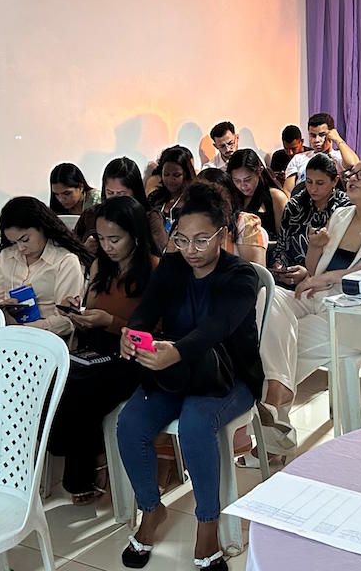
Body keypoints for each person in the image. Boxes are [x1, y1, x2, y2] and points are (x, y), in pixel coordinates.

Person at [116, 182, 262, 571]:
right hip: (177, 371)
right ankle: (151, 510)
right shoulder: (173, 268)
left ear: (222, 234)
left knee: (198, 426)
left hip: (229, 377)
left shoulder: (241, 276)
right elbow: (147, 310)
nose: (191, 250)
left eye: (201, 240)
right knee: (129, 424)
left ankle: (207, 525)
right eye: (181, 239)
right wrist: (132, 334)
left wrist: (176, 351)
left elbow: (217, 327)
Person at [281, 159, 361, 432]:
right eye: (351, 173)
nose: (352, 178)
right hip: (318, 298)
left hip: (357, 314)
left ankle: (274, 417)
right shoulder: (341, 214)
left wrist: (331, 276)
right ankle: (274, 419)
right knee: (266, 305)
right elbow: (311, 270)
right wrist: (315, 248)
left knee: (283, 344)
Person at [48, 197, 157, 506]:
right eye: (102, 238)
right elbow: (92, 311)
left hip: (133, 355)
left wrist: (111, 322)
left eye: (115, 239)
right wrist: (78, 314)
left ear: (135, 235)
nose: (107, 246)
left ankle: (82, 470)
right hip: (96, 345)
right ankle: (83, 455)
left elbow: (153, 334)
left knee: (84, 391)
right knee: (57, 377)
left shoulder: (153, 270)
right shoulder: (100, 266)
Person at [0, 197, 90, 336]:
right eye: (14, 242)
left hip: (46, 340)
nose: (21, 248)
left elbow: (67, 321)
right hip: (7, 334)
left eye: (25, 239)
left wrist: (22, 328)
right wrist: (3, 307)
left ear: (41, 227)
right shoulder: (7, 256)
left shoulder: (65, 261)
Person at [270, 152, 351, 284]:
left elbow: (343, 257)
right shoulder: (295, 205)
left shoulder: (345, 207)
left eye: (320, 183)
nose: (313, 188)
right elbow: (282, 246)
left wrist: (308, 274)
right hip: (292, 275)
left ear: (334, 181)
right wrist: (280, 266)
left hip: (329, 280)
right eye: (309, 182)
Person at [73, 157, 170, 255]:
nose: (114, 199)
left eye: (121, 194)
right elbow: (70, 249)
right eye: (110, 193)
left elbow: (159, 254)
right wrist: (84, 249)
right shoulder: (90, 214)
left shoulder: (150, 218)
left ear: (135, 192)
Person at [196, 168, 268, 266]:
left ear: (229, 197)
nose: (209, 202)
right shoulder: (189, 224)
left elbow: (256, 274)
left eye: (216, 196)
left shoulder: (245, 223)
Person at [283, 113, 360, 193]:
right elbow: (288, 191)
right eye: (313, 135)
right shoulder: (299, 158)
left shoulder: (339, 157)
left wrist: (337, 139)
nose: (316, 140)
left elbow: (353, 164)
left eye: (322, 135)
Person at [226, 149, 288, 243]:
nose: (242, 186)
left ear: (259, 171)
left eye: (247, 180)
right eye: (237, 180)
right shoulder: (231, 197)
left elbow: (285, 240)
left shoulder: (276, 197)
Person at [146, 145, 196, 237]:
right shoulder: (154, 198)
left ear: (186, 174)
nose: (170, 179)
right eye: (166, 174)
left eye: (176, 175)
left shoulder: (193, 200)